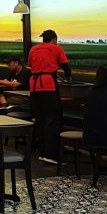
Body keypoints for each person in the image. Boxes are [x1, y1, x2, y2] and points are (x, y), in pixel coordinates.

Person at [28, 29, 72, 162]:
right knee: (52, 119)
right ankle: (51, 154)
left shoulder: (33, 49)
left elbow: (31, 65)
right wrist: (68, 78)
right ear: (54, 39)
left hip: (34, 86)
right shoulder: (57, 48)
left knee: (40, 119)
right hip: (48, 85)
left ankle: (42, 152)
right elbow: (66, 68)